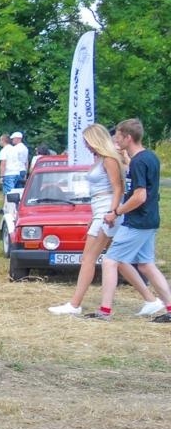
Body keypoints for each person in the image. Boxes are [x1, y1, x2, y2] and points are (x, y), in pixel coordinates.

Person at [88, 118, 171, 319]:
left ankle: (104, 311)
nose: (115, 140)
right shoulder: (150, 157)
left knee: (110, 261)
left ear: (128, 137)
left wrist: (116, 212)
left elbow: (140, 195)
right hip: (150, 219)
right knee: (145, 265)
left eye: (118, 136)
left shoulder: (138, 162)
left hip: (137, 221)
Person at [50, 123, 133, 316]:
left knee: (88, 258)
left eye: (87, 141)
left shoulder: (109, 160)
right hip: (100, 212)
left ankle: (75, 304)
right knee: (118, 259)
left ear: (95, 139)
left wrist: (113, 212)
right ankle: (151, 298)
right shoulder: (101, 159)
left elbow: (118, 188)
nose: (86, 145)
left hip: (106, 213)